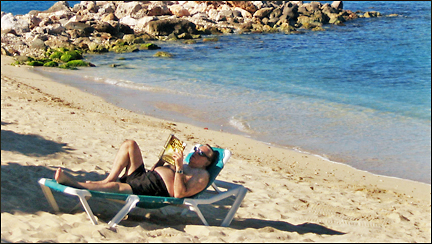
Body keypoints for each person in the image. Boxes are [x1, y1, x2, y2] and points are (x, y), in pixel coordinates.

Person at [55, 140, 217, 198]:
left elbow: (179, 194)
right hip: (145, 176)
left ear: (207, 162)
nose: (196, 153)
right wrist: (163, 159)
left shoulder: (202, 175)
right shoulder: (184, 163)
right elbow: (156, 170)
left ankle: (74, 183)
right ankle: (108, 178)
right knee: (129, 144)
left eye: (201, 153)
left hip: (152, 188)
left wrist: (179, 167)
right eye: (196, 149)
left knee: (115, 188)